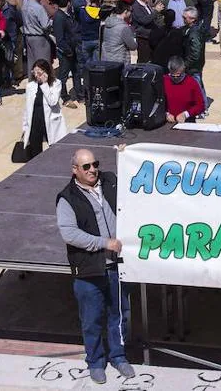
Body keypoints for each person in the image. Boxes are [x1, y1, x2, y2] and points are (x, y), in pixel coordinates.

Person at [56, 148, 136, 385]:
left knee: (120, 315)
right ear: (75, 170)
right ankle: (95, 362)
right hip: (89, 269)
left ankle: (119, 357)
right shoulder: (67, 198)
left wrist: (127, 156)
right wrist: (104, 244)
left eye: (95, 164)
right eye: (86, 167)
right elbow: (69, 234)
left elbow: (134, 186)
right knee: (92, 319)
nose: (93, 170)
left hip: (117, 267)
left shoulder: (110, 181)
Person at [20, 59, 69, 161]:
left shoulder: (56, 84)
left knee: (55, 149)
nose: (36, 75)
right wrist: (25, 126)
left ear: (46, 72)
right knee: (35, 151)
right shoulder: (30, 86)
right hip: (35, 121)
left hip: (50, 121)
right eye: (34, 72)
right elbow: (27, 108)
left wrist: (44, 84)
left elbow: (53, 101)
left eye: (39, 73)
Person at [163, 55, 206, 124]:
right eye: (173, 76)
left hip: (187, 122)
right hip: (168, 122)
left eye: (179, 75)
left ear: (183, 70)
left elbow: (200, 105)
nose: (176, 78)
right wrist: (166, 114)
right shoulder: (164, 80)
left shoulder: (192, 82)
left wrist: (186, 114)